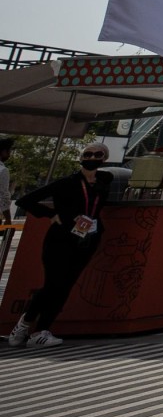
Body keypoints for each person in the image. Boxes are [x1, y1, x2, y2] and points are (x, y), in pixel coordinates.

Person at [7, 141, 114, 349]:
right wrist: (50, 214)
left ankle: (41, 331)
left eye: (97, 155)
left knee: (65, 286)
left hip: (86, 239)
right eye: (88, 154)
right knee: (53, 284)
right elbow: (26, 201)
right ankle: (24, 323)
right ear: (81, 157)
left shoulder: (104, 181)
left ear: (104, 159)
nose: (92, 158)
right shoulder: (68, 182)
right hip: (60, 239)